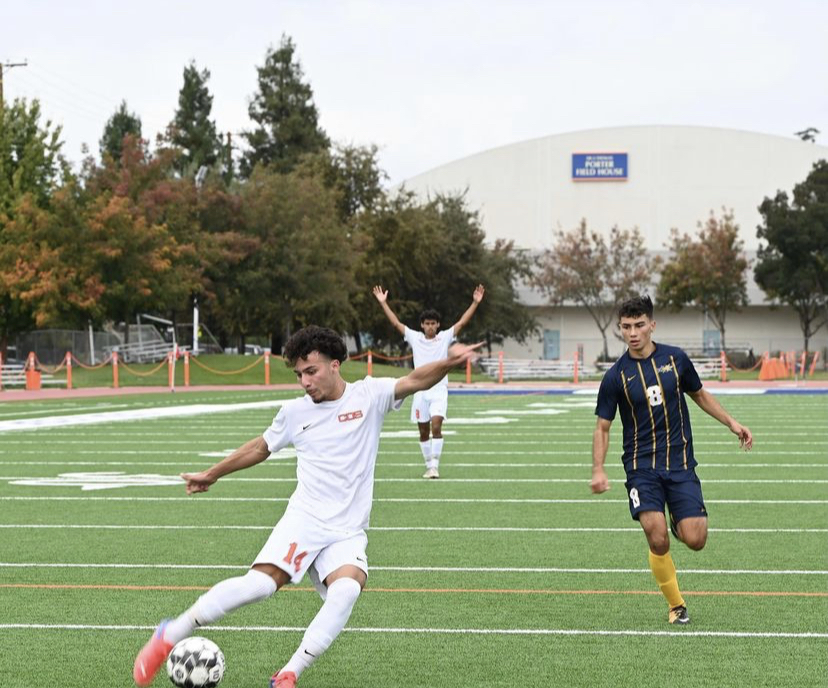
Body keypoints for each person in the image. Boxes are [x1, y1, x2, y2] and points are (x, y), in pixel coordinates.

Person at [133, 325, 481, 688]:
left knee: (346, 590)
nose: (304, 381)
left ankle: (288, 674)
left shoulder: (370, 394)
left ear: (335, 365)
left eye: (311, 371)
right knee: (260, 586)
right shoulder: (295, 412)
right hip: (305, 519)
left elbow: (416, 380)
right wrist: (213, 473)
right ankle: (170, 634)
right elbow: (260, 447)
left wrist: (448, 362)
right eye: (299, 374)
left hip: (346, 530)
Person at [590, 295, 753, 625]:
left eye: (639, 325)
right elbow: (603, 427)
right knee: (655, 534)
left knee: (696, 539)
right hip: (640, 467)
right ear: (619, 329)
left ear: (652, 324)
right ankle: (676, 605)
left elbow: (700, 394)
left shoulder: (676, 360)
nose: (633, 333)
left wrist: (732, 423)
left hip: (679, 463)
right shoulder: (615, 377)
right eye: (626, 327)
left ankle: (680, 524)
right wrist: (598, 469)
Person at [372, 284, 485, 478]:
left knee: (436, 426)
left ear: (438, 325)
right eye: (427, 323)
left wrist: (475, 303)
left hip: (439, 389)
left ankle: (435, 466)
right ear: (422, 325)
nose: (430, 326)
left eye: (433, 323)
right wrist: (383, 303)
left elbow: (462, 323)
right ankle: (428, 465)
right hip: (419, 391)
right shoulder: (415, 338)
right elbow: (396, 324)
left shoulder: (444, 338)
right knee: (423, 432)